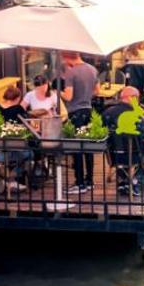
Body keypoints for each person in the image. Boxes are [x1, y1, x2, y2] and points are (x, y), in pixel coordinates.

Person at [57, 52, 100, 192]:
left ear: (67, 57)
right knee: (88, 147)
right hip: (88, 110)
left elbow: (68, 97)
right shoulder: (93, 69)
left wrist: (58, 92)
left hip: (76, 112)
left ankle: (79, 182)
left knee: (76, 147)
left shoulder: (71, 73)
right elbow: (97, 92)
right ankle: (90, 181)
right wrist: (85, 94)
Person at [102, 86, 144, 196]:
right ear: (133, 98)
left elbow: (102, 132)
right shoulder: (136, 115)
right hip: (133, 155)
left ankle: (123, 181)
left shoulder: (107, 113)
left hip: (113, 156)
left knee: (123, 149)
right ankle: (136, 181)